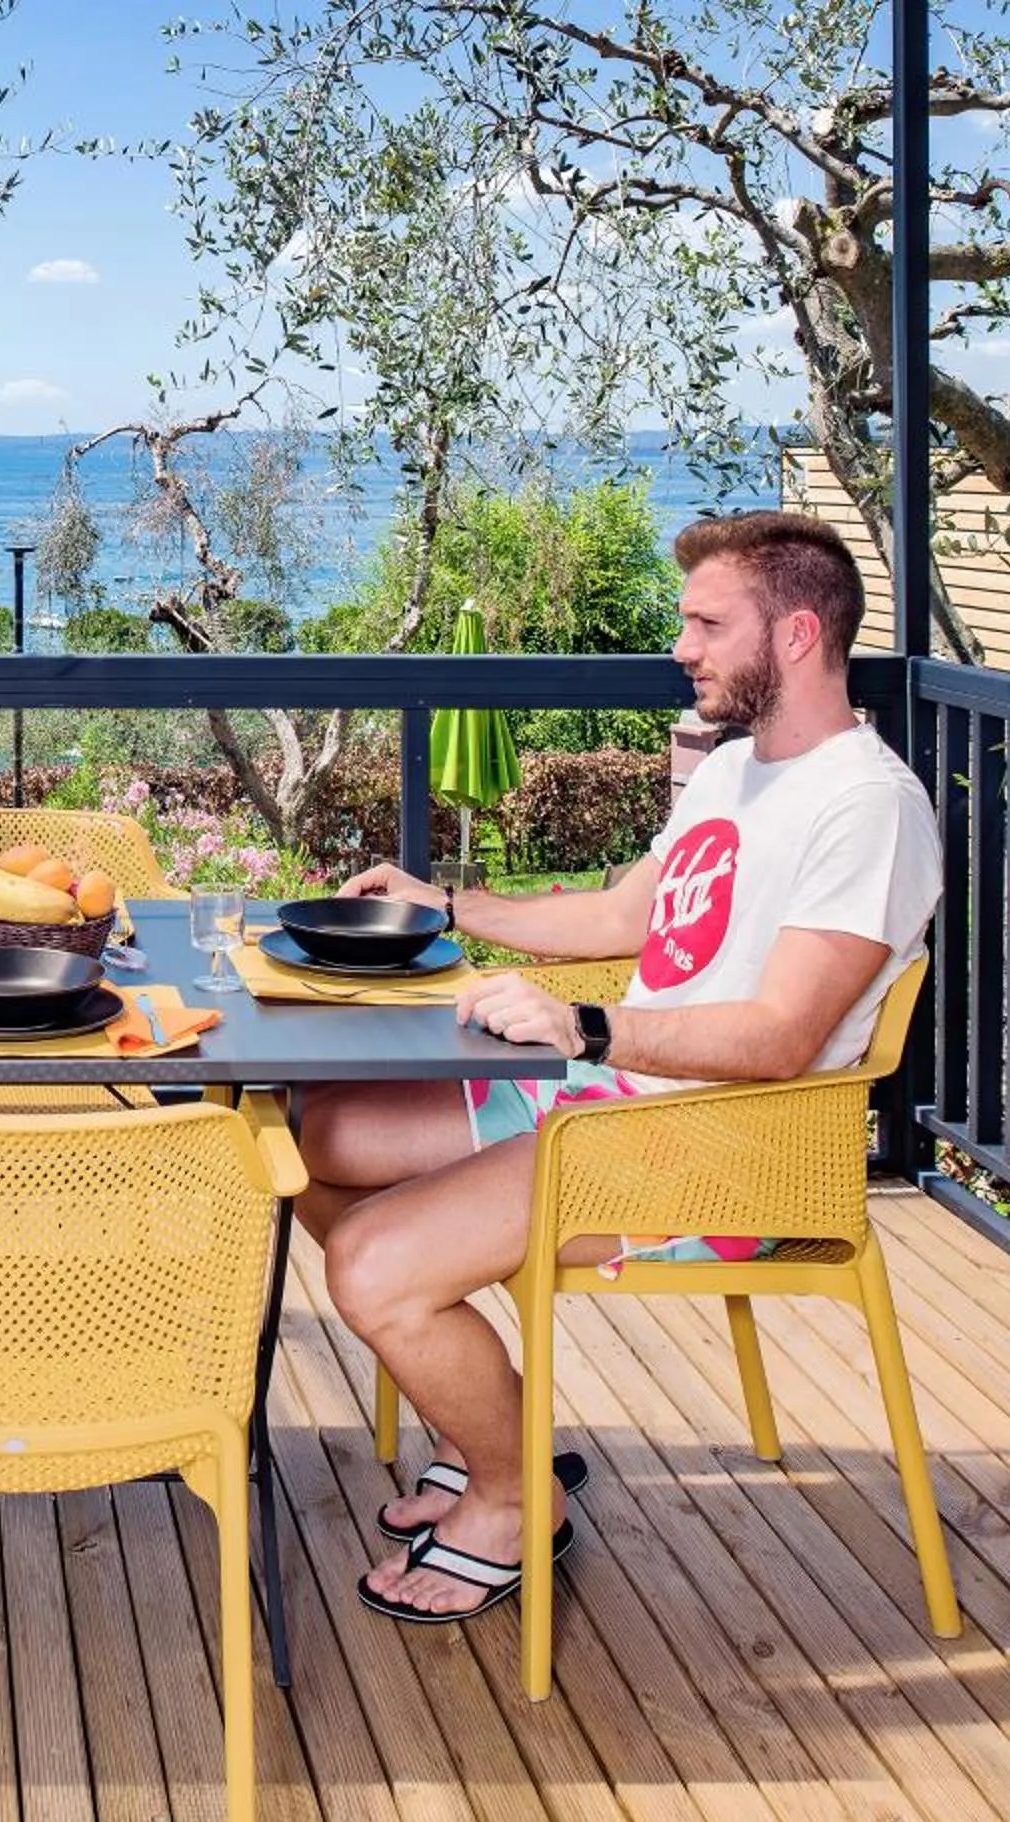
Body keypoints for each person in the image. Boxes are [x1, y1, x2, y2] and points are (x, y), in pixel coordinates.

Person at [302, 510, 941, 1625]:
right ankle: (486, 1425)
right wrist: (444, 902)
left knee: (370, 1264)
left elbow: (785, 1037)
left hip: (726, 1146)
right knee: (321, 1141)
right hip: (626, 1101)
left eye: (706, 623)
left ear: (796, 635)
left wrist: (589, 1029)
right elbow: (621, 913)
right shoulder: (737, 770)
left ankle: (514, 1496)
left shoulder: (868, 808)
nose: (681, 646)